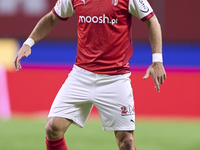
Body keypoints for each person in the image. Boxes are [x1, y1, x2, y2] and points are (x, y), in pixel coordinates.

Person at [14, 0, 166, 149]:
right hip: (81, 75)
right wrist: (29, 42)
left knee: (126, 141)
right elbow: (52, 17)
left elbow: (152, 20)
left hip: (115, 78)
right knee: (53, 128)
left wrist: (157, 60)